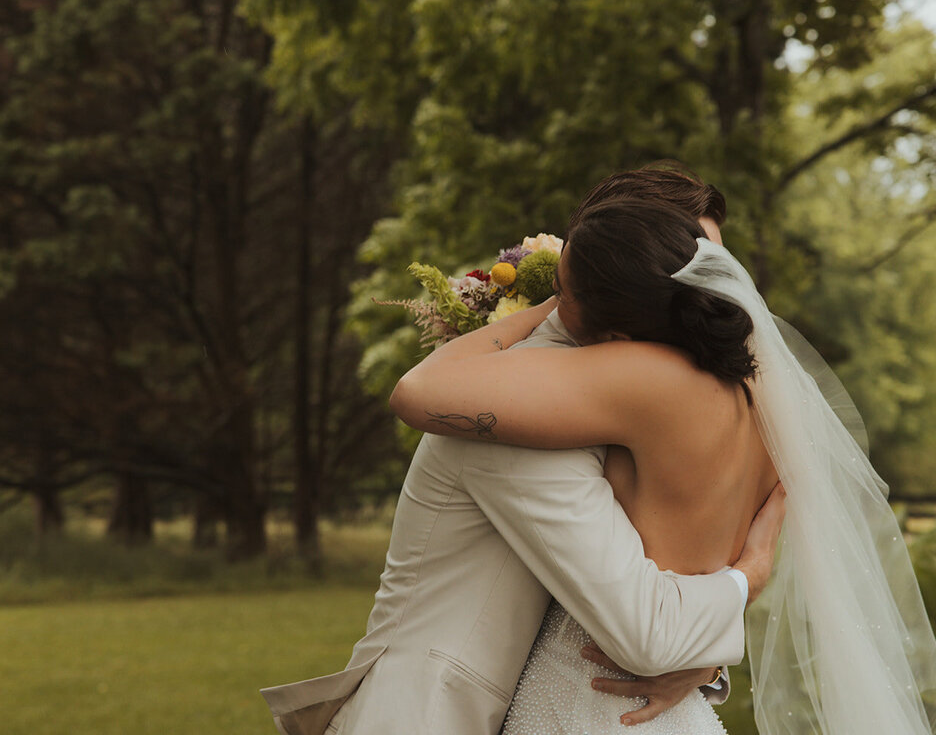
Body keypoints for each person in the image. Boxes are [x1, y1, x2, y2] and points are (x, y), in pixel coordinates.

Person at [392, 171, 936, 734]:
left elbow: (416, 392)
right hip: (680, 711)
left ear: (615, 329)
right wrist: (731, 609)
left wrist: (555, 308)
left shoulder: (632, 381)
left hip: (585, 700)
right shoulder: (762, 388)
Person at [259, 169, 786, 735]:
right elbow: (643, 629)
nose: (704, 293)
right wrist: (748, 577)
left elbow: (664, 558)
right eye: (683, 265)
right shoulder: (523, 411)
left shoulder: (638, 400)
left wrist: (702, 664)